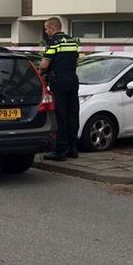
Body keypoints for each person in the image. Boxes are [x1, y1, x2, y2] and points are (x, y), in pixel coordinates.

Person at [39, 17, 80, 161]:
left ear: (51, 28)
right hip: (73, 81)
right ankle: (73, 148)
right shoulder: (72, 41)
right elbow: (76, 62)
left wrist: (40, 75)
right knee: (72, 115)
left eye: (46, 29)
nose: (45, 31)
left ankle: (60, 151)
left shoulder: (53, 43)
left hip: (59, 82)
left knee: (60, 116)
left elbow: (44, 65)